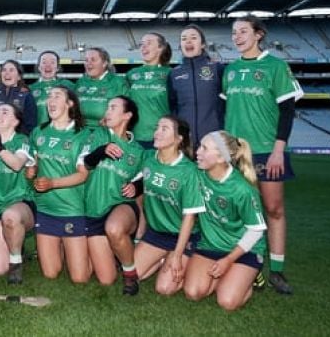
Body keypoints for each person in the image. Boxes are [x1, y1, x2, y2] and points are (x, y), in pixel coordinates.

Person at [221, 15, 303, 294]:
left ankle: (277, 272)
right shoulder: (229, 70)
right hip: (235, 153)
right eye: (234, 32)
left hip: (268, 151)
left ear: (258, 34)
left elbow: (288, 111)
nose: (237, 36)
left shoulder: (276, 66)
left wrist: (279, 150)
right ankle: (248, 265)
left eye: (243, 31)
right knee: (240, 212)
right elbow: (223, 112)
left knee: (273, 210)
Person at [184, 131, 267, 311]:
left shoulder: (242, 189)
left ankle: (250, 276)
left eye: (205, 148)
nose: (198, 151)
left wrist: (229, 260)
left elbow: (256, 231)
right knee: (193, 292)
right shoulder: (198, 174)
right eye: (199, 146)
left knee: (227, 302)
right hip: (210, 244)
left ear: (221, 158)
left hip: (244, 249)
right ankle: (230, 277)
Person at [122, 115, 204, 296]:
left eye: (164, 129)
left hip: (184, 236)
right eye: (157, 127)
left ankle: (181, 257)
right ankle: (162, 258)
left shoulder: (189, 171)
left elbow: (189, 218)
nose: (157, 132)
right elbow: (138, 188)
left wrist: (177, 254)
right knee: (132, 275)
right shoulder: (149, 158)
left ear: (179, 139)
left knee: (164, 288)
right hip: (157, 233)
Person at [81, 96, 146, 295]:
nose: (107, 111)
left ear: (127, 115)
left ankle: (130, 274)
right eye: (107, 107)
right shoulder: (97, 135)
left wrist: (136, 186)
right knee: (106, 279)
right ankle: (119, 253)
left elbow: (143, 179)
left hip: (121, 205)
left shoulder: (138, 150)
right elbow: (86, 163)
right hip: (94, 209)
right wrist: (102, 150)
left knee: (115, 228)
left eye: (113, 108)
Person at [28, 87, 91, 283]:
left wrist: (53, 183)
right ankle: (64, 248)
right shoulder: (39, 132)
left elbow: (82, 175)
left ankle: (94, 251)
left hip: (72, 209)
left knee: (80, 279)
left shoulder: (83, 135)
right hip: (46, 208)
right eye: (49, 97)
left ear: (70, 103)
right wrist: (30, 171)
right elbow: (33, 164)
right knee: (50, 274)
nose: (51, 100)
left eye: (57, 96)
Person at [0, 103, 36, 284]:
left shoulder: (22, 140)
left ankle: (16, 263)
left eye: (5, 112)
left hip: (19, 203)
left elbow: (17, 164)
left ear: (16, 121)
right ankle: (17, 248)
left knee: (10, 216)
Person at [168, 24, 224, 145]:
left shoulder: (217, 69)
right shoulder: (174, 73)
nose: (188, 41)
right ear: (180, 46)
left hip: (216, 139)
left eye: (193, 37)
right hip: (186, 139)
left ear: (203, 44)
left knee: (221, 163)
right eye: (184, 39)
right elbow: (173, 107)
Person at [127, 33, 172, 148]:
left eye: (149, 43)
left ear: (161, 48)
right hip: (134, 137)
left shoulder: (170, 74)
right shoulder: (132, 74)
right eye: (142, 44)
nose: (143, 47)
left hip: (162, 137)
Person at [75, 47, 128, 128]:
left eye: (93, 60)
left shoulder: (118, 82)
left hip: (107, 132)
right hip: (81, 132)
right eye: (86, 60)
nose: (88, 63)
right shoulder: (80, 82)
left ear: (104, 63)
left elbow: (127, 109)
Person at [0, 60, 38, 135]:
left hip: (17, 140)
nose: (7, 73)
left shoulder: (26, 96)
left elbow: (30, 125)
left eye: (11, 70)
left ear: (19, 77)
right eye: (4, 70)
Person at [29, 50, 75, 128]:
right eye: (44, 62)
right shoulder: (30, 89)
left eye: (52, 62)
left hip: (63, 133)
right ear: (39, 67)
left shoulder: (68, 85)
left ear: (57, 68)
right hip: (39, 134)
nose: (48, 65)